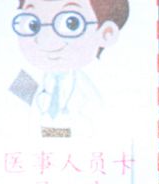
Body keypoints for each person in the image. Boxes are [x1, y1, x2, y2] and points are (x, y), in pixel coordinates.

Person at [10, 0, 129, 137]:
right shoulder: (22, 82)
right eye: (33, 25)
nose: (45, 39)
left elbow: (87, 132)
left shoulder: (96, 92)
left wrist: (49, 133)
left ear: (106, 33)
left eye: (71, 24)